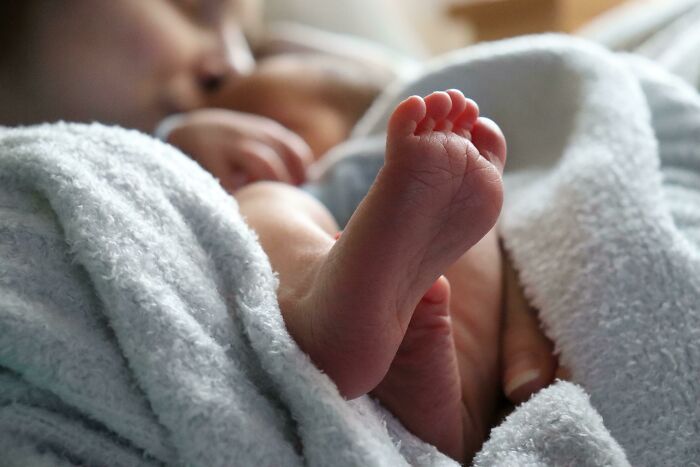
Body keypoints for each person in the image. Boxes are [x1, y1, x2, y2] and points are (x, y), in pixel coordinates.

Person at [0, 0, 561, 462]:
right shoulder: (108, 157)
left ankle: (454, 397)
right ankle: (328, 304)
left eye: (247, 39)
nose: (234, 63)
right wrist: (181, 145)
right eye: (196, 9)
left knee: (464, 212)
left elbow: (387, 81)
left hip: (361, 209)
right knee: (270, 203)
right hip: (307, 225)